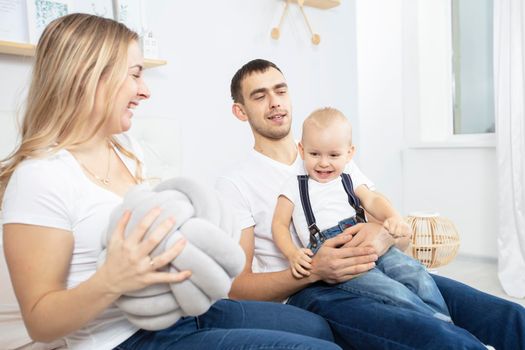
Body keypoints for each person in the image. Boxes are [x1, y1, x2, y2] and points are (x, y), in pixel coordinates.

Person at [0, 15, 342, 350]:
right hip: (121, 339)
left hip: (181, 312)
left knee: (317, 327)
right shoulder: (39, 177)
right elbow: (40, 322)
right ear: (90, 76)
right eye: (135, 75)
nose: (145, 91)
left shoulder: (126, 150)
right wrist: (110, 281)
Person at [215, 58, 525, 349]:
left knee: (504, 314)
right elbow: (237, 287)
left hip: (375, 266)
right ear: (240, 112)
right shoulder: (235, 183)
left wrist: (382, 236)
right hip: (312, 292)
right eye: (259, 96)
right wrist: (314, 271)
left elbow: (398, 235)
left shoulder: (329, 155)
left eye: (280, 90)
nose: (275, 102)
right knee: (437, 335)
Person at [272, 107, 451, 322]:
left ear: (349, 153)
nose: (323, 162)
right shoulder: (294, 184)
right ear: (301, 150)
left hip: (369, 239)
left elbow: (372, 199)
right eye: (314, 154)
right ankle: (437, 325)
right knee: (389, 290)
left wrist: (393, 217)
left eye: (334, 155)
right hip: (337, 253)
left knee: (415, 272)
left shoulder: (349, 178)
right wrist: (292, 253)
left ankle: (445, 323)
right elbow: (279, 225)